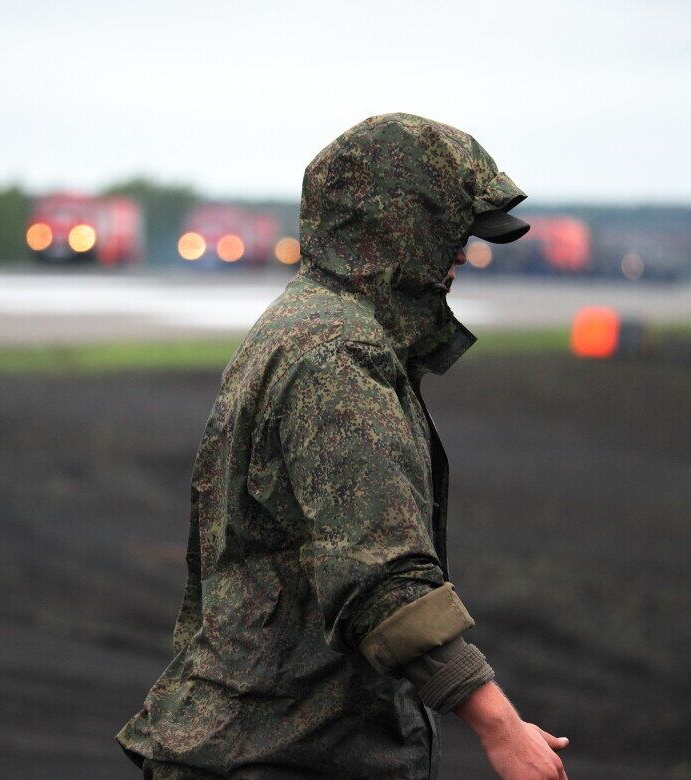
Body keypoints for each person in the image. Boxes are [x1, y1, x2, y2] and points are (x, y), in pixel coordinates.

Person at [117, 113, 569, 779]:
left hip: (268, 745)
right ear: (401, 229)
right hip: (285, 753)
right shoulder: (336, 355)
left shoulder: (306, 324)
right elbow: (381, 575)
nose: (457, 262)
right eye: (451, 237)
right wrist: (502, 729)